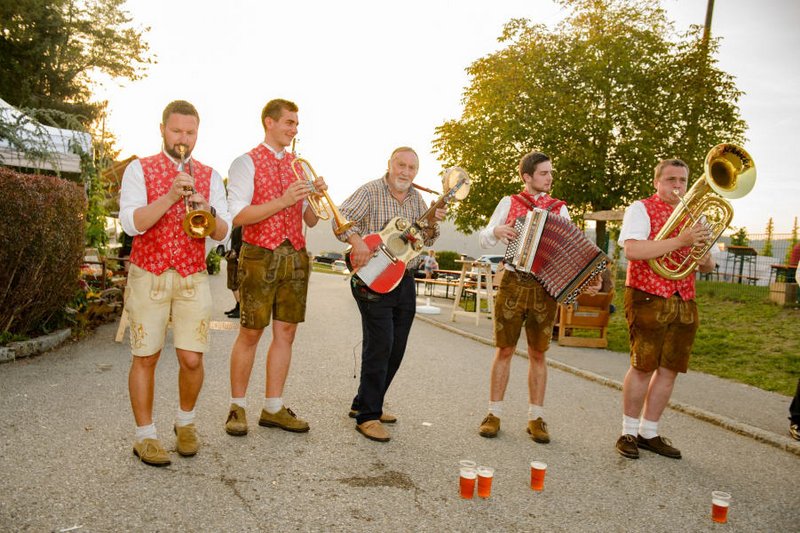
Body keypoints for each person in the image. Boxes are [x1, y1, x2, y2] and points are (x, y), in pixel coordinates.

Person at [118, 100, 231, 466]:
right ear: (162, 129)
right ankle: (145, 436)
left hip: (191, 275)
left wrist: (206, 209)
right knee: (146, 356)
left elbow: (223, 232)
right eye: (177, 130)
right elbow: (132, 224)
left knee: (192, 359)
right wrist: (170, 196)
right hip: (148, 272)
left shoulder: (211, 175)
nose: (183, 138)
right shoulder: (139, 169)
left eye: (190, 132)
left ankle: (185, 423)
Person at [476, 150, 594, 443]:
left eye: (551, 172)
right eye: (544, 173)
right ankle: (493, 414)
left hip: (544, 286)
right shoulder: (509, 202)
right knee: (504, 349)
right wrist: (497, 230)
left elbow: (569, 248)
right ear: (527, 176)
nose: (549, 177)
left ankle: (536, 418)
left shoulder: (559, 209)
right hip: (513, 281)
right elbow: (483, 238)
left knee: (538, 353)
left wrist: (585, 278)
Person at [223, 98, 325, 437]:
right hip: (259, 254)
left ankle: (273, 407)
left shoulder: (300, 166)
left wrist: (316, 198)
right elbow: (238, 216)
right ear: (270, 122)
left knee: (287, 333)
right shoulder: (245, 162)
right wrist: (283, 200)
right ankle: (237, 407)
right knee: (251, 332)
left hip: (295, 256)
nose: (294, 129)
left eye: (296, 123)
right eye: (289, 122)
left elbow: (311, 219)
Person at [337, 147, 446, 442]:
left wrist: (433, 221)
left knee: (396, 348)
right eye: (401, 165)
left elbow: (425, 239)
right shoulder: (370, 191)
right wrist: (357, 241)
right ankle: (368, 416)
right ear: (389, 164)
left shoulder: (417, 200)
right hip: (372, 276)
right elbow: (340, 218)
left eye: (412, 168)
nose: (406, 172)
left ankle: (364, 401)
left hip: (404, 278)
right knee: (380, 344)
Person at [615, 158, 715, 460]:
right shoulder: (641, 209)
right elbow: (633, 250)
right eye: (671, 179)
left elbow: (708, 266)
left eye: (683, 180)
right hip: (647, 295)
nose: (678, 186)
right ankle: (628, 432)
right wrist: (681, 240)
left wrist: (703, 253)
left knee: (670, 369)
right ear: (656, 182)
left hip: (684, 298)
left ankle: (649, 432)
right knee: (643, 366)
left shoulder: (695, 216)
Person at [224, 226, 243, 318]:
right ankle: (238, 306)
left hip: (237, 258)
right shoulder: (237, 226)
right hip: (234, 258)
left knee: (234, 284)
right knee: (233, 283)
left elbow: (242, 241)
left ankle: (240, 308)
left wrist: (235, 251)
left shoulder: (241, 226)